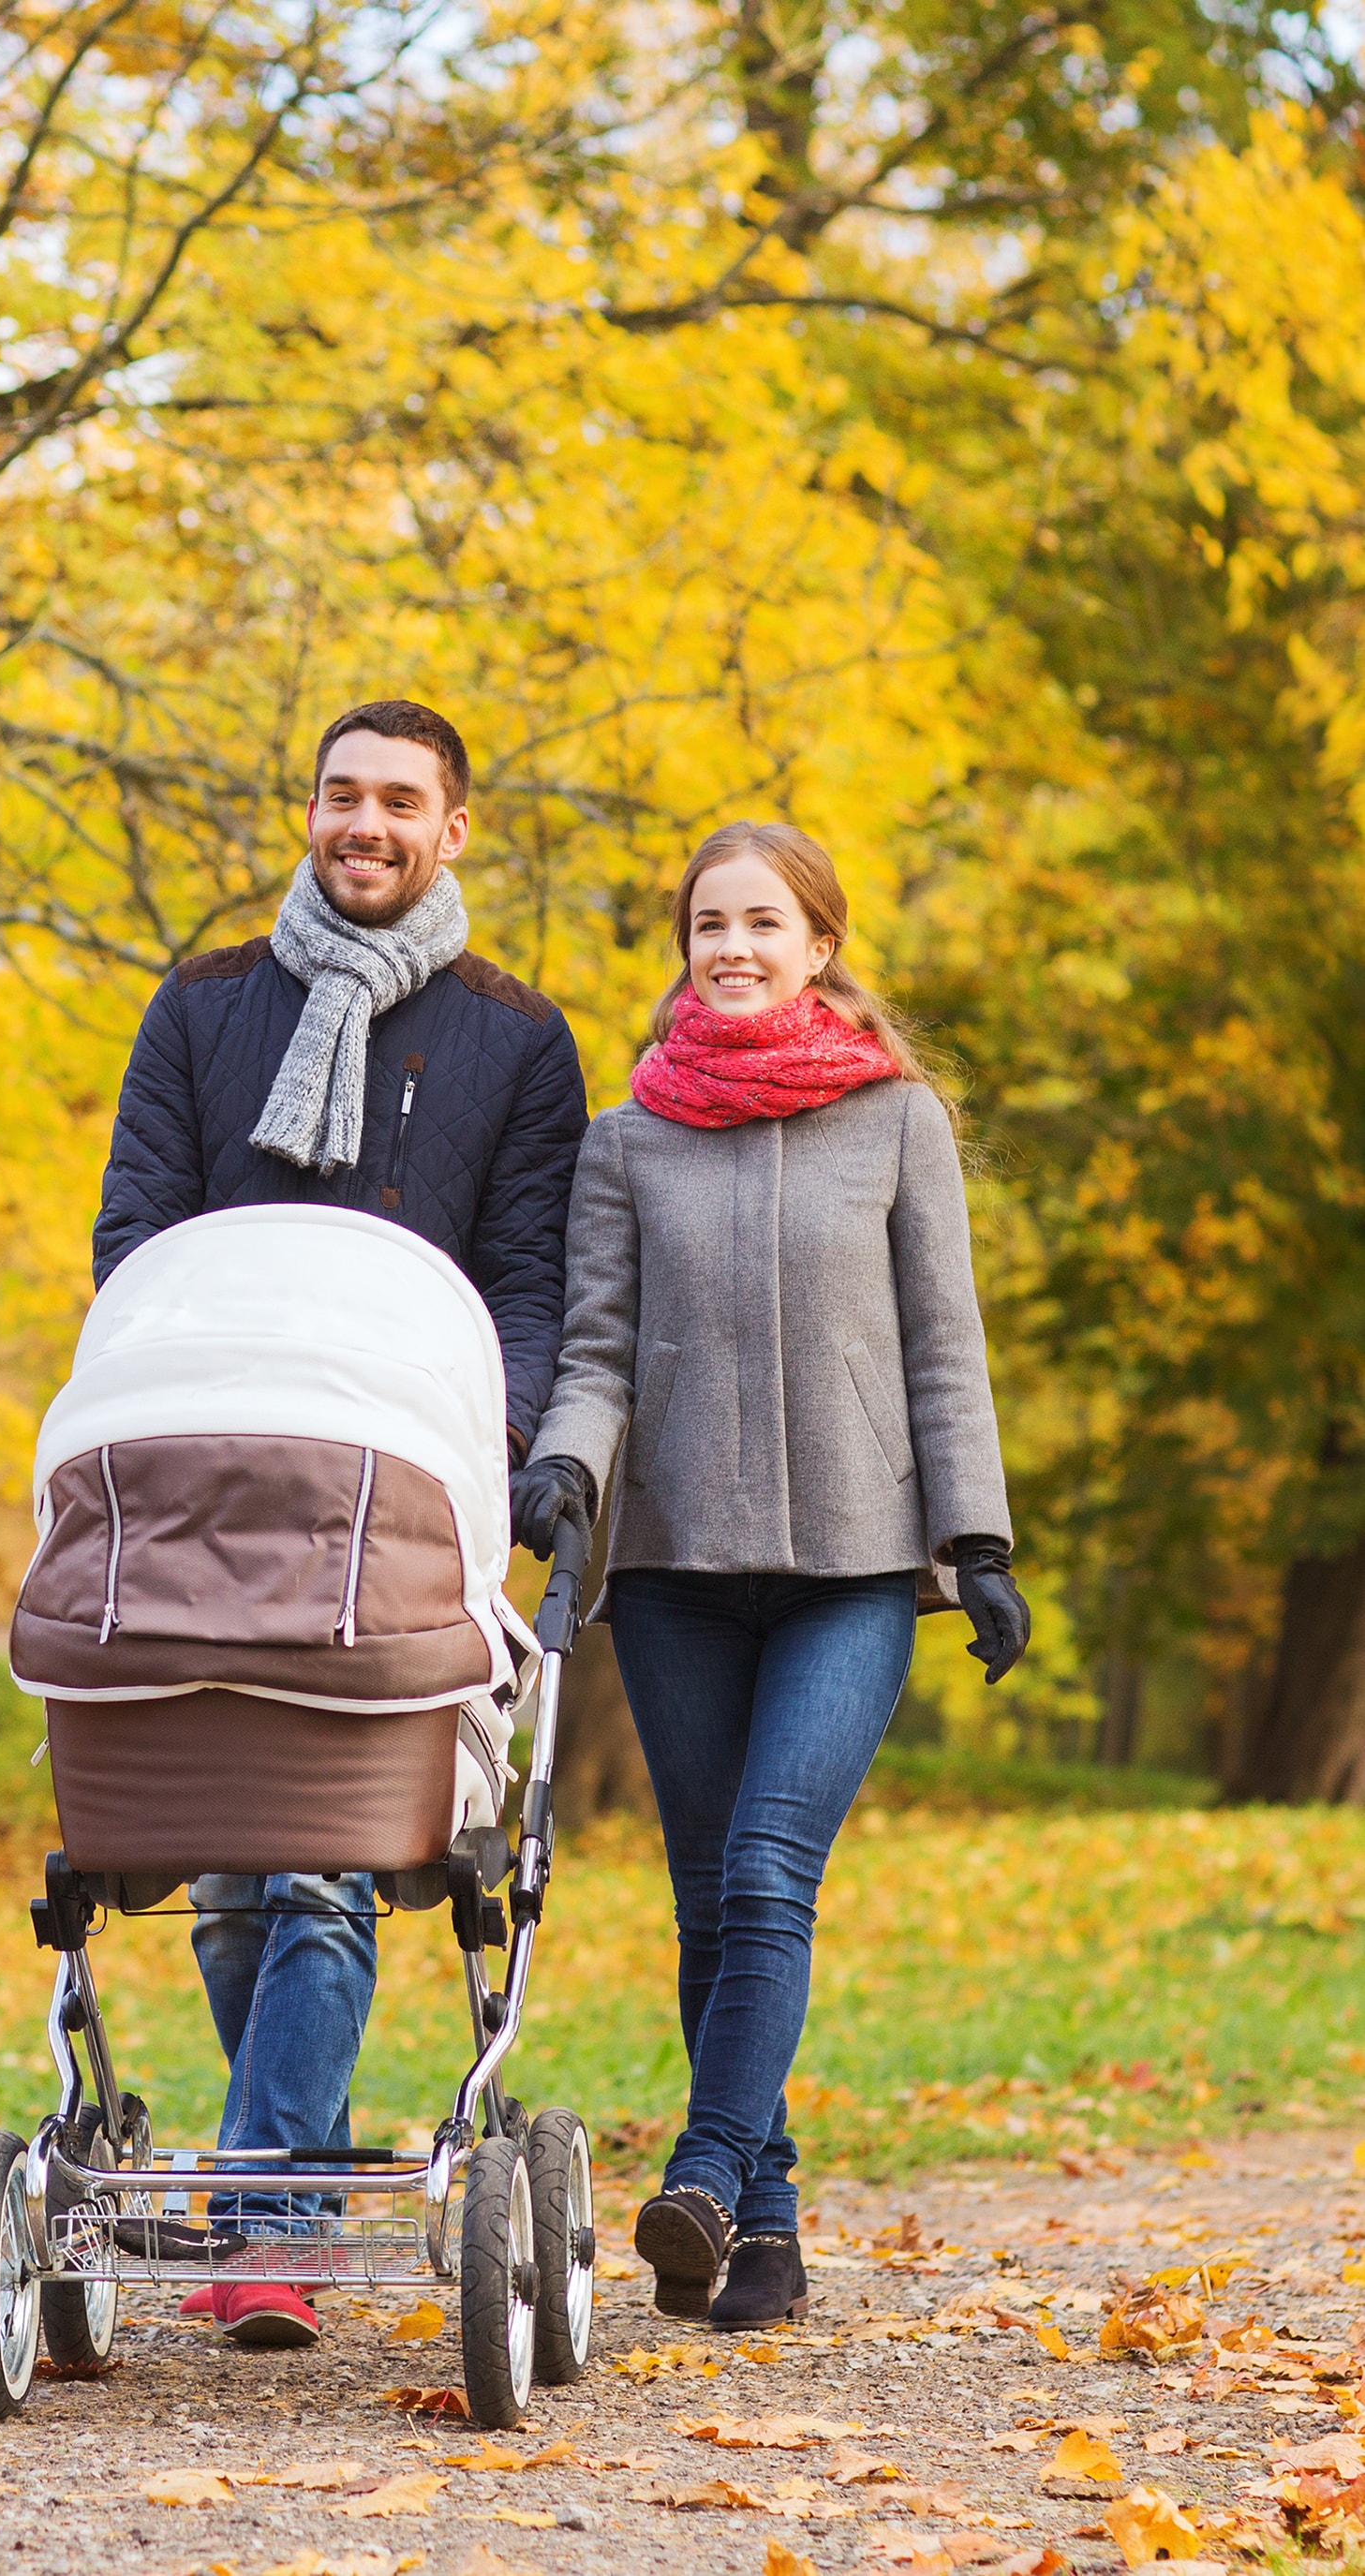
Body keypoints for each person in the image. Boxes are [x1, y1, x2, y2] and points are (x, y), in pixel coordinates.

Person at [93, 699, 589, 2348]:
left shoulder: (518, 1041)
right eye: (336, 794)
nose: (360, 822)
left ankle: (267, 2216)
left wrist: (489, 1452)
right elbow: (137, 1240)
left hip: (393, 1501)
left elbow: (524, 1278)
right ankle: (276, 2175)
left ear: (454, 831)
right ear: (304, 812)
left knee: (311, 1872)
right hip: (212, 1489)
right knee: (233, 1889)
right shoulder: (207, 1003)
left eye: (397, 801)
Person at [518, 820, 1030, 2332]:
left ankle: (703, 2163)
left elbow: (943, 1346)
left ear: (819, 944)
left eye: (760, 922)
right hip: (673, 1566)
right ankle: (760, 2229)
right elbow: (598, 1350)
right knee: (704, 1903)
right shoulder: (625, 1139)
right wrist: (565, 1464)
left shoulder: (895, 1122)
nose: (729, 946)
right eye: (704, 924)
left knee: (764, 1874)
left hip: (854, 1571)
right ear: (682, 947)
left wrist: (979, 1538)